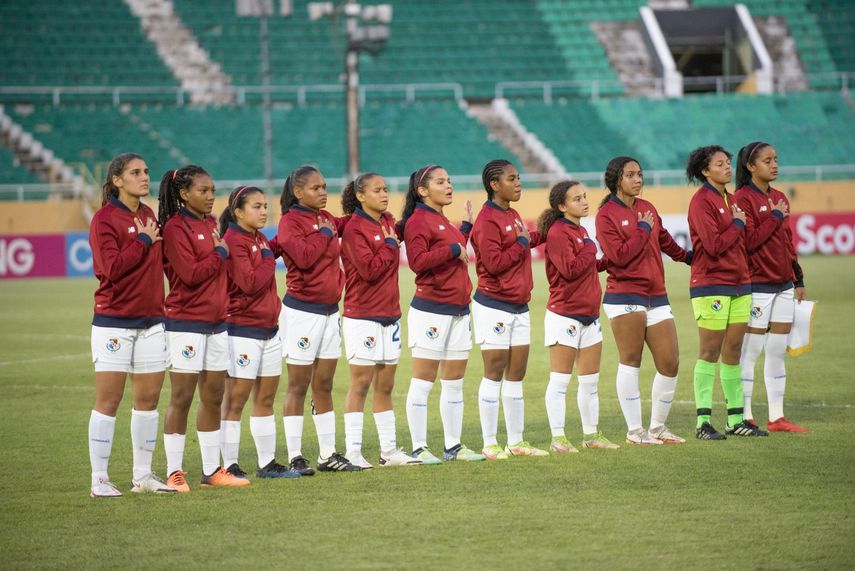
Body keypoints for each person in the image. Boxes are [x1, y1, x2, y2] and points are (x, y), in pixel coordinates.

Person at [87, 152, 174, 497]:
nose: (144, 177)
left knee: (148, 400)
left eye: (146, 171)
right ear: (117, 180)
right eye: (135, 172)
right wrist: (142, 241)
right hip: (114, 322)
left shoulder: (148, 214)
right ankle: (99, 479)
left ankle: (143, 476)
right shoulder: (104, 219)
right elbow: (110, 269)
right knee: (109, 400)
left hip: (152, 320)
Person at [158, 166, 249, 490]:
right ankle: (173, 470)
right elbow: (189, 274)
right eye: (203, 191)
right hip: (186, 324)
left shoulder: (209, 223)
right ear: (184, 193)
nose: (211, 197)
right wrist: (221, 252)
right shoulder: (174, 228)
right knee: (181, 398)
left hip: (217, 323)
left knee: (213, 396)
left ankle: (212, 470)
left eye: (212, 190)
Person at [595, 156, 690, 446]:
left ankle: (658, 427)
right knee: (631, 361)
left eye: (640, 174)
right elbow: (620, 256)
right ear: (616, 180)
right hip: (624, 294)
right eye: (631, 175)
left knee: (670, 362)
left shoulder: (647, 208)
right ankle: (635, 431)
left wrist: (687, 257)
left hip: (656, 295)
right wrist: (642, 230)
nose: (638, 180)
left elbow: (663, 239)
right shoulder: (606, 215)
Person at [276, 166, 360, 473]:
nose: (323, 192)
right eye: (316, 188)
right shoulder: (289, 222)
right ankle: (296, 455)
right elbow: (304, 257)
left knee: (323, 385)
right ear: (298, 192)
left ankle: (327, 454)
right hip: (301, 313)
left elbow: (349, 223)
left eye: (325, 187)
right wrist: (325, 232)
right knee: (298, 386)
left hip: (329, 312)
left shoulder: (325, 219)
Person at [401, 165, 485, 464]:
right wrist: (452, 247)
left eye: (449, 180)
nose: (448, 185)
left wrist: (463, 229)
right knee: (423, 382)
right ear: (422, 190)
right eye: (440, 182)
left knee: (454, 383)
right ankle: (419, 447)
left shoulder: (442, 220)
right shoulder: (417, 221)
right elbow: (418, 262)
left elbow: (452, 248)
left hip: (459, 310)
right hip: (431, 311)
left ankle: (453, 446)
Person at [686, 145, 768, 439]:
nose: (726, 167)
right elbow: (713, 245)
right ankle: (703, 422)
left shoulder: (731, 200)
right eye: (719, 164)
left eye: (728, 162)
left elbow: (744, 243)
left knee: (733, 352)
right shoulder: (701, 202)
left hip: (740, 285)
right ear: (705, 171)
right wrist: (736, 223)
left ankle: (736, 420)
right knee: (709, 352)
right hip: (711, 285)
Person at [339, 173, 421, 468]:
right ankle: (353, 452)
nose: (385, 194)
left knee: (385, 386)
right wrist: (389, 244)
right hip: (363, 316)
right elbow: (369, 270)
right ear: (360, 196)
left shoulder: (387, 221)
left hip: (390, 316)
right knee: (360, 384)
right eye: (377, 190)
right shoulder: (354, 228)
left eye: (386, 189)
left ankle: (388, 452)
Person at [220, 186, 300, 480]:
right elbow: (250, 283)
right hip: (242, 329)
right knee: (236, 399)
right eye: (256, 206)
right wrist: (269, 257)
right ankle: (228, 464)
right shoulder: (234, 240)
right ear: (238, 212)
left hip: (268, 329)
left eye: (266, 205)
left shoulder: (259, 239)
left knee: (266, 398)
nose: (264, 211)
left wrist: (269, 250)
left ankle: (267, 463)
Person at [471, 159, 548, 460]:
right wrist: (520, 243)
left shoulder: (512, 214)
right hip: (494, 305)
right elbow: (493, 263)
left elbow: (522, 244)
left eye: (518, 178)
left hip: (519, 305)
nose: (518, 183)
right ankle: (490, 443)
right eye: (512, 179)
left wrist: (542, 230)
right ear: (494, 184)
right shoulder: (487, 219)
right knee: (494, 374)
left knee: (516, 375)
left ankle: (516, 441)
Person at [539, 180, 619, 452]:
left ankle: (591, 436)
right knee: (560, 381)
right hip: (565, 315)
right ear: (562, 206)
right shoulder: (560, 232)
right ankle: (558, 438)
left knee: (590, 382)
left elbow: (586, 268)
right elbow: (570, 269)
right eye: (577, 199)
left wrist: (605, 261)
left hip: (589, 316)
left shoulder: (580, 229)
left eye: (585, 197)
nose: (584, 202)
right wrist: (589, 249)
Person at [734, 142, 807, 433]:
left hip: (784, 286)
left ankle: (776, 417)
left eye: (776, 159)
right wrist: (774, 216)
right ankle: (747, 415)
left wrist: (797, 278)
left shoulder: (779, 197)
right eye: (767, 160)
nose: (774, 164)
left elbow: (787, 242)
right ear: (751, 166)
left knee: (776, 350)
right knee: (750, 352)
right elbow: (748, 241)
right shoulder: (741, 199)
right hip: (757, 286)